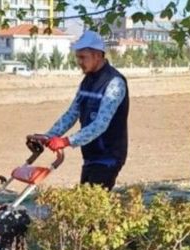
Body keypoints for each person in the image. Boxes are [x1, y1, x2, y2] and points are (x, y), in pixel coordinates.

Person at [41, 30, 129, 190]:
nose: (79, 62)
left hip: (108, 156)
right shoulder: (87, 81)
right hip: (91, 155)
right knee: (86, 204)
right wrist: (48, 136)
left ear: (97, 55)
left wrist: (66, 141)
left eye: (83, 57)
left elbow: (100, 124)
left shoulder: (114, 83)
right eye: (77, 57)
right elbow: (72, 113)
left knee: (91, 206)